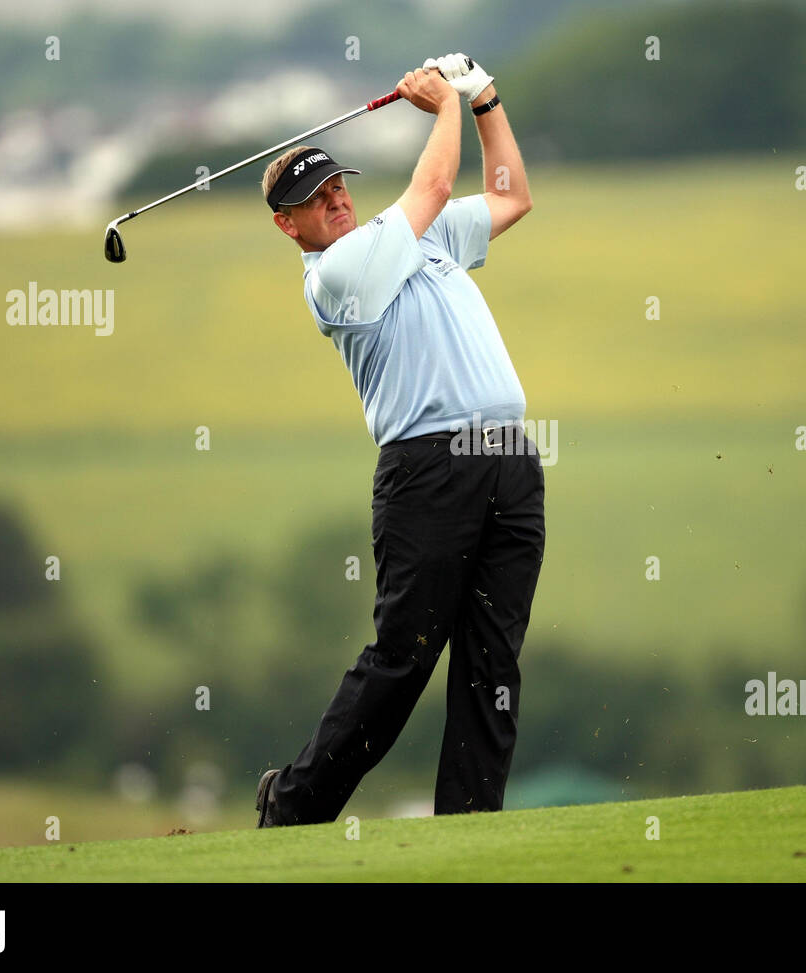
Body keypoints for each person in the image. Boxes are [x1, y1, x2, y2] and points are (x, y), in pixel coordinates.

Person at [255, 54, 545, 826]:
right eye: (315, 200)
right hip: (428, 472)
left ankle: (470, 825)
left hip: (508, 462)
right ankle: (293, 803)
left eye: (338, 185)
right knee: (404, 658)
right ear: (291, 225)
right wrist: (445, 105)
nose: (335, 201)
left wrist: (485, 102)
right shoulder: (339, 272)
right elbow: (436, 186)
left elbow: (512, 197)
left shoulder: (416, 236)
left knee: (493, 660)